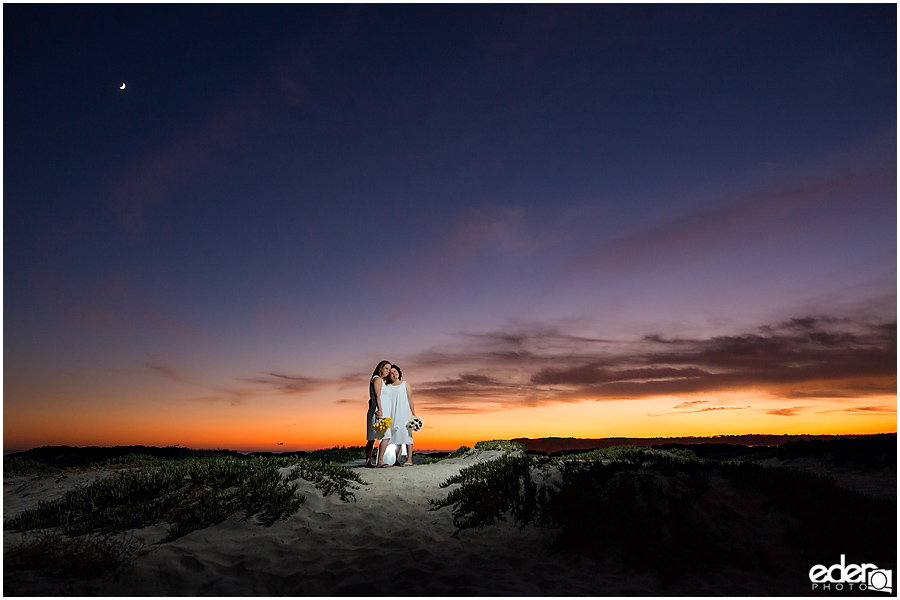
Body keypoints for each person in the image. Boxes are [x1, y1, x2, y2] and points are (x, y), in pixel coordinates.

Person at [377, 364, 417, 467]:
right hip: (392, 414)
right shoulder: (387, 386)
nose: (394, 374)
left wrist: (414, 413)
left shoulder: (405, 384)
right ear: (389, 376)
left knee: (407, 436)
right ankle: (396, 460)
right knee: (395, 437)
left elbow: (410, 399)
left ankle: (409, 460)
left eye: (395, 371)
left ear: (398, 372)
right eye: (391, 373)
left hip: (403, 413)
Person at [365, 360, 391, 468]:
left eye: (389, 369)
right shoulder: (377, 379)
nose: (388, 371)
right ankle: (380, 461)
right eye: (386, 368)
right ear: (380, 368)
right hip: (378, 411)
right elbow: (377, 396)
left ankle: (368, 462)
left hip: (375, 409)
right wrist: (380, 409)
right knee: (386, 436)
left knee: (372, 438)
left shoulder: (378, 379)